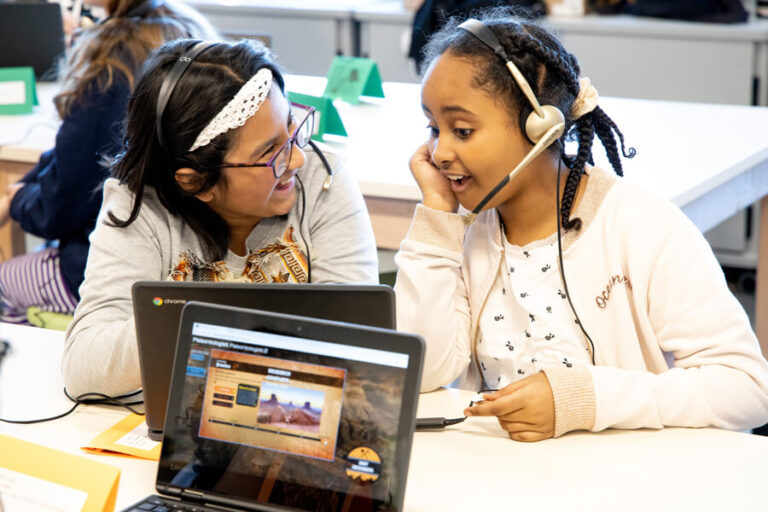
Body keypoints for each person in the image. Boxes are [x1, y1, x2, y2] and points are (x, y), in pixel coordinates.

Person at [394, 10, 768, 441]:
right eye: (433, 128)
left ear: (541, 126)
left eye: (461, 130)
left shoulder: (642, 225)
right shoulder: (463, 234)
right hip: (496, 474)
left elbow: (746, 389)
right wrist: (437, 217)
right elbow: (420, 371)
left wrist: (589, 398)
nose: (438, 153)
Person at [62, 39, 379, 396]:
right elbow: (83, 369)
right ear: (196, 181)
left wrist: (195, 327)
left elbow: (360, 344)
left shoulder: (322, 180)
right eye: (270, 152)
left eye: (292, 127)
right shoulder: (138, 207)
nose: (297, 160)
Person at [0, 0, 217, 324]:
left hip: (117, 272)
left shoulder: (111, 61)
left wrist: (19, 199)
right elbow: (77, 160)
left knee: (5, 281)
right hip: (190, 264)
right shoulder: (189, 28)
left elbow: (60, 209)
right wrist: (27, 188)